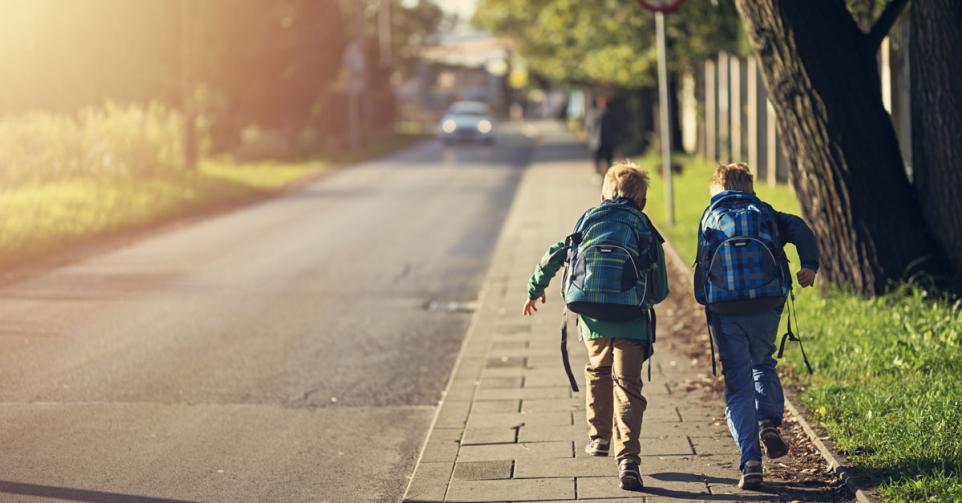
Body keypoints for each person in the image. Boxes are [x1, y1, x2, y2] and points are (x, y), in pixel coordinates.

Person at [522, 161, 669, 491]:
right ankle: (628, 458)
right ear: (641, 200)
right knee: (628, 386)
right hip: (631, 318)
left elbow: (557, 252)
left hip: (591, 315)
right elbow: (659, 284)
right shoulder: (643, 224)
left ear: (603, 194)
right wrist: (647, 299)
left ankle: (600, 436)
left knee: (598, 371)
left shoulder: (590, 218)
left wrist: (535, 289)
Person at [694, 163, 819, 490]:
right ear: (749, 187)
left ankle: (750, 460)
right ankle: (768, 421)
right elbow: (801, 229)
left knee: (737, 379)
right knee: (763, 363)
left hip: (726, 308)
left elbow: (701, 269)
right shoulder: (765, 211)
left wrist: (705, 301)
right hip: (767, 302)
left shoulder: (710, 215)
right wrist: (809, 266)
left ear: (717, 189)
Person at [587, 95, 620, 177]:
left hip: (595, 141)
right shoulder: (610, 114)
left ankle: (598, 174)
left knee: (597, 160)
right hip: (608, 141)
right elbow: (615, 129)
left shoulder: (593, 114)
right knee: (607, 160)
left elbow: (588, 126)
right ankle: (606, 175)